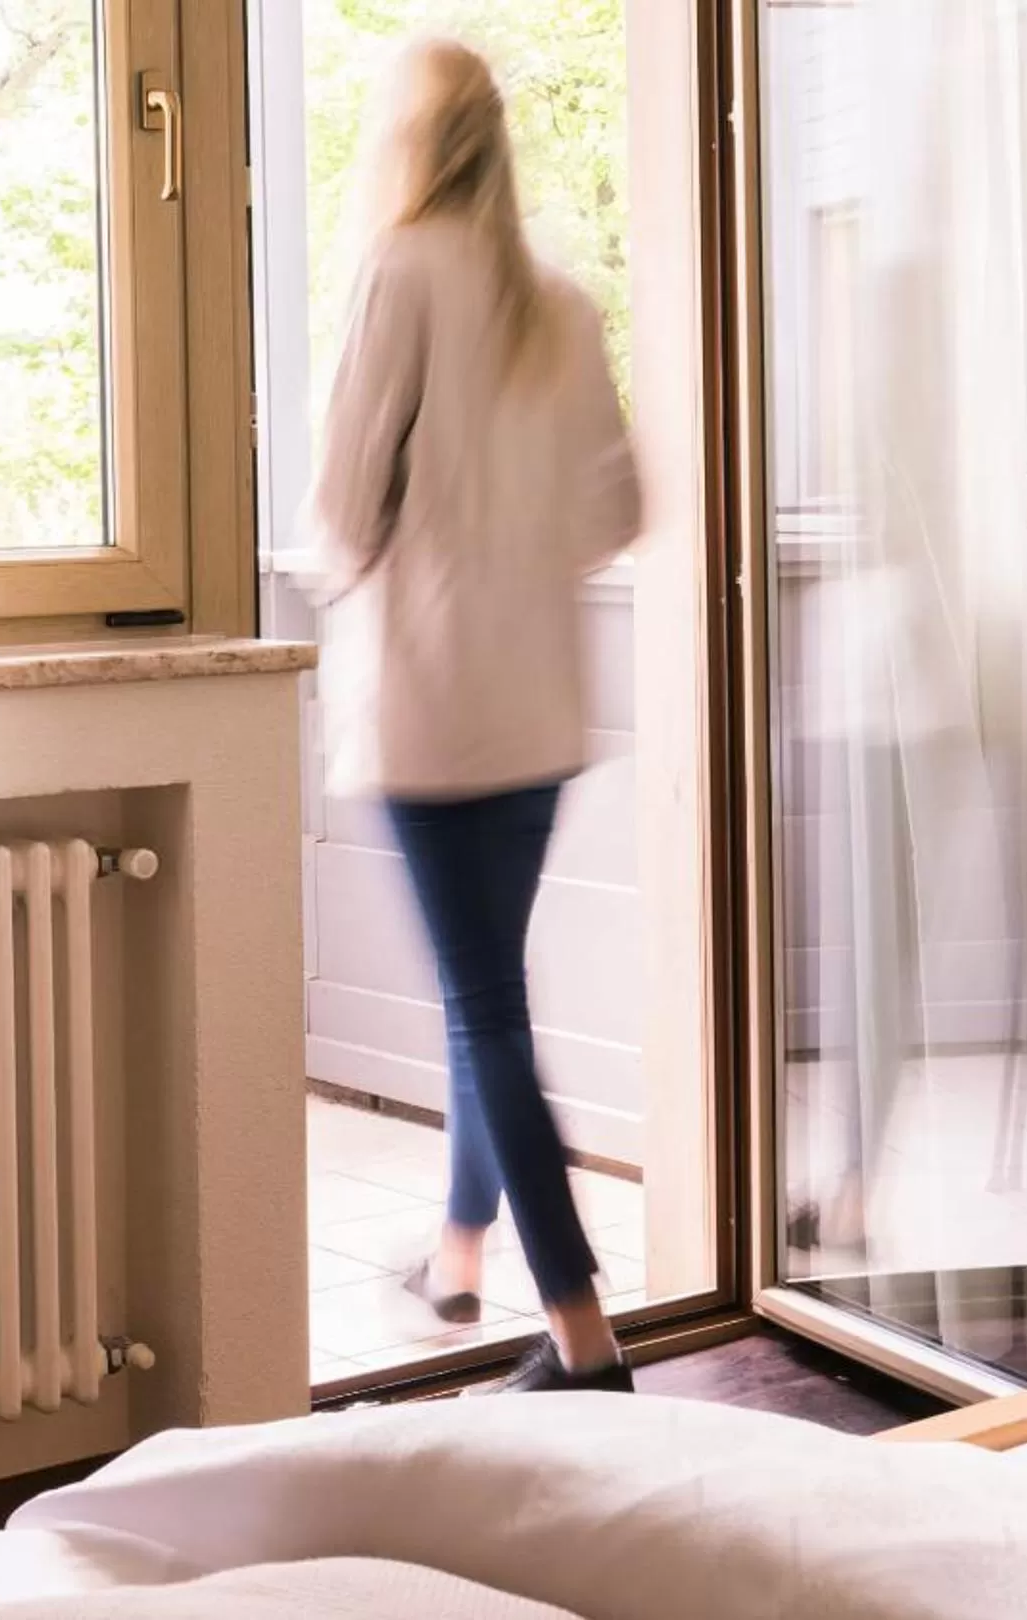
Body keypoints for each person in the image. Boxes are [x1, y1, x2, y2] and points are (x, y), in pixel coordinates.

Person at [309, 36, 643, 1393]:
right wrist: (511, 554)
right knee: (483, 993)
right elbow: (618, 509)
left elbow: (337, 507)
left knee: (484, 1006)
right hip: (540, 715)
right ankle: (456, 1253)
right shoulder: (555, 300)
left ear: (409, 142)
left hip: (437, 710)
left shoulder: (398, 272)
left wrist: (421, 555)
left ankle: (581, 1337)